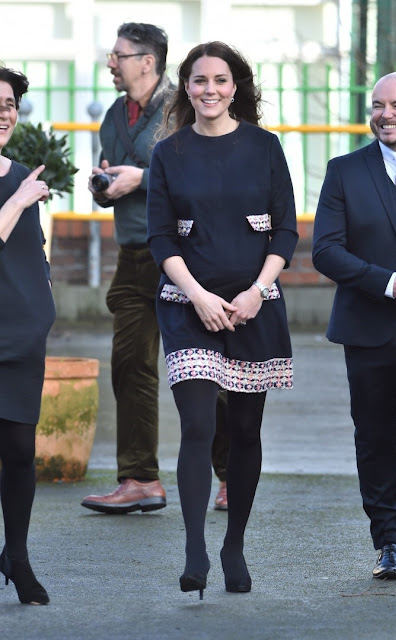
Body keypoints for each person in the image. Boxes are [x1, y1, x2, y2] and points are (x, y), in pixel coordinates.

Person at [147, 41, 298, 598]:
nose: (209, 89)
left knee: (245, 431)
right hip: (188, 307)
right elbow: (160, 237)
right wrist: (200, 296)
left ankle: (234, 544)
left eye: (220, 80)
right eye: (198, 80)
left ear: (236, 87)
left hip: (254, 307)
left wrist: (260, 289)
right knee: (197, 425)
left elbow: (285, 230)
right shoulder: (169, 153)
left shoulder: (265, 147)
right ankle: (195, 550)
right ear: (185, 87)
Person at [81, 22, 229, 515]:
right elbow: (112, 179)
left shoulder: (183, 111)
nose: (111, 63)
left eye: (119, 55)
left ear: (148, 61)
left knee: (202, 371)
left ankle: (231, 472)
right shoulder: (112, 116)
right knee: (131, 365)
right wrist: (104, 185)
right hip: (131, 258)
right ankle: (140, 478)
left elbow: (202, 176)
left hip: (184, 258)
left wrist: (140, 178)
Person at [312, 71, 396, 582]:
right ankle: (388, 545)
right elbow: (325, 251)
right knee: (375, 440)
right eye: (378, 105)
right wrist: (389, 283)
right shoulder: (343, 171)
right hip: (367, 330)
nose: (386, 114)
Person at [0, 66, 55, 604]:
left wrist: (43, 303)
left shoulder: (20, 171)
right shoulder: (20, 185)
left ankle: (16, 557)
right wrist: (18, 200)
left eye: (10, 102)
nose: (3, 111)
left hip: (20, 337)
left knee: (19, 451)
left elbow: (30, 252)